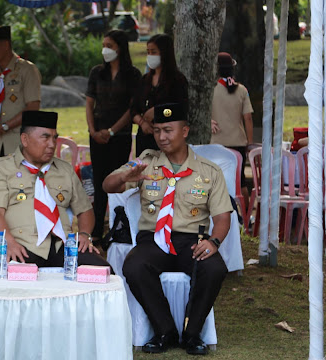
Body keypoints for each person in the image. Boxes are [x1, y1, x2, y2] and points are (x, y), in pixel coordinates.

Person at [103, 103, 232, 355]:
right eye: (158, 130)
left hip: (191, 241)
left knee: (214, 268)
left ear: (185, 131)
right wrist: (124, 178)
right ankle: (164, 331)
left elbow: (223, 217)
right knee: (134, 265)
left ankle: (192, 334)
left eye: (169, 130)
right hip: (153, 240)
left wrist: (213, 242)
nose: (162, 137)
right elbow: (107, 185)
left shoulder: (208, 171)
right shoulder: (144, 163)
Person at [0, 110, 110, 269]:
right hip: (22, 244)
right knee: (16, 282)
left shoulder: (64, 170)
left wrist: (84, 235)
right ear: (25, 139)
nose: (52, 144)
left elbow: (85, 210)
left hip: (62, 246)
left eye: (54, 138)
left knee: (102, 272)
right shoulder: (2, 168)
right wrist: (9, 242)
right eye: (45, 137)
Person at [85, 29, 141, 244]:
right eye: (104, 45)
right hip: (97, 135)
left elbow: (131, 108)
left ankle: (118, 226)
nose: (105, 49)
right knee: (99, 181)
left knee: (117, 180)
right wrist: (93, 130)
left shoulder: (133, 75)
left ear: (120, 47)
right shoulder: (97, 72)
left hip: (120, 135)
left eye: (110, 45)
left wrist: (112, 131)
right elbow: (90, 103)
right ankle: (96, 230)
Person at [0, 25, 42, 159]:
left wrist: (3, 127)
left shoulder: (27, 70)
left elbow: (32, 109)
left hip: (21, 145)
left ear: (6, 45)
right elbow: (2, 108)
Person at [130, 34, 188, 157]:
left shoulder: (177, 80)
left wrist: (158, 111)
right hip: (145, 139)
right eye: (148, 52)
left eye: (154, 52)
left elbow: (181, 108)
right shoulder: (145, 80)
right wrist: (142, 123)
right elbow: (133, 110)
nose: (150, 56)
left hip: (168, 139)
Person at [210, 52, 254, 205]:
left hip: (215, 143)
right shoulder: (242, 90)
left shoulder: (210, 90)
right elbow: (247, 118)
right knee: (240, 182)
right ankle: (246, 218)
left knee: (214, 181)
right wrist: (249, 142)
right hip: (238, 144)